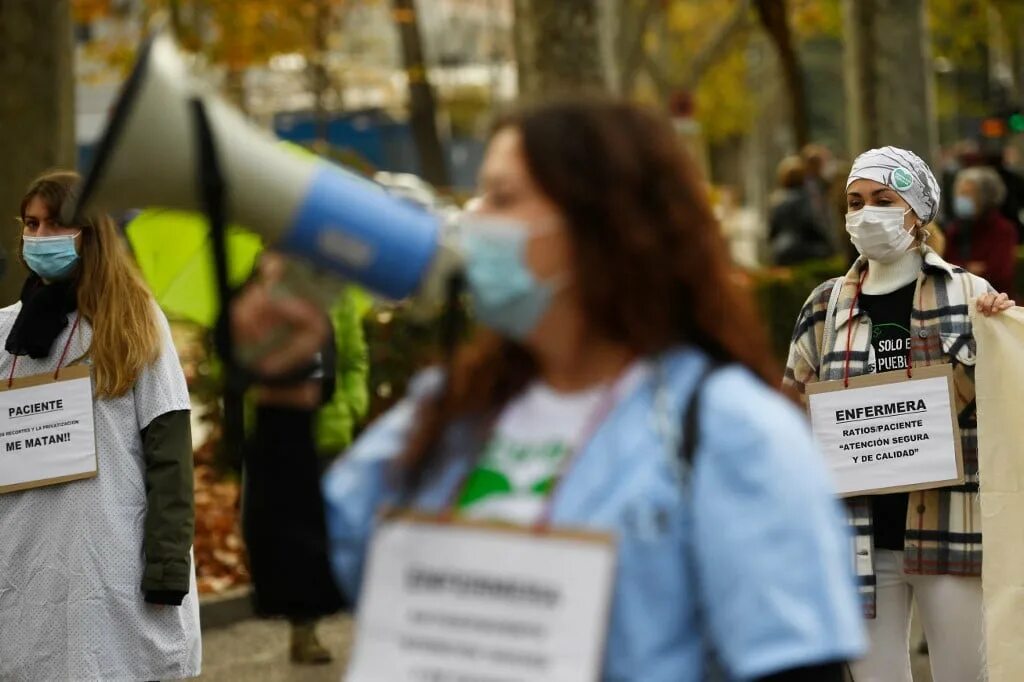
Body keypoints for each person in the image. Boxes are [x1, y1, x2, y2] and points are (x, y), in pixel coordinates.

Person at [233, 98, 866, 681]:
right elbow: (297, 579)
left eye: (502, 197)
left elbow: (795, 665)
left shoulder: (732, 428)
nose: (471, 220)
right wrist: (283, 393)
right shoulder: (453, 409)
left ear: (602, 225)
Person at [784, 146, 1014, 682]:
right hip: (857, 539)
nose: (867, 214)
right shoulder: (825, 304)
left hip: (950, 530)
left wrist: (1001, 334)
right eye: (855, 201)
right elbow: (792, 405)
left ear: (917, 211)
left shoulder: (966, 293)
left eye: (884, 200)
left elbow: (1003, 400)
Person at [0, 171, 200, 680]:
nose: (39, 238)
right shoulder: (5, 333)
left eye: (55, 224)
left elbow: (170, 454)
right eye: (31, 224)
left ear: (89, 231)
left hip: (111, 562)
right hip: (25, 563)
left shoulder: (133, 323)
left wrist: (167, 567)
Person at [945, 165, 1018, 296]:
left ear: (985, 197)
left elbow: (1000, 274)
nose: (961, 199)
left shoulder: (1003, 229)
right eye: (959, 193)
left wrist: (961, 269)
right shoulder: (955, 229)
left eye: (967, 194)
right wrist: (969, 269)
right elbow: (945, 268)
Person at [768, 155, 837, 265]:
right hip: (803, 251)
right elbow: (810, 222)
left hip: (781, 251)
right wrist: (828, 244)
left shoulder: (777, 200)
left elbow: (772, 231)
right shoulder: (806, 198)